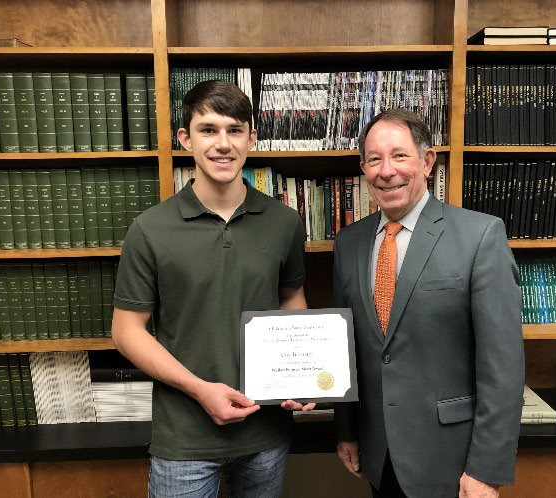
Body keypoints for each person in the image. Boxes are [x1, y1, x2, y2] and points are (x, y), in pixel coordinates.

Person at [111, 80, 312, 498]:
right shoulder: (149, 228)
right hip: (185, 437)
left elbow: (291, 299)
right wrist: (200, 390)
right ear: (185, 138)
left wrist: (302, 377)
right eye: (208, 130)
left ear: (251, 138)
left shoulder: (285, 222)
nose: (223, 144)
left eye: (235, 130)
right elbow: (126, 330)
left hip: (266, 432)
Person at [333, 109, 525, 498]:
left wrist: (486, 468)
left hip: (452, 459)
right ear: (363, 168)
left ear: (427, 161)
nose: (386, 171)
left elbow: (502, 366)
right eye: (374, 159)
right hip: (379, 453)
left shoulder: (480, 235)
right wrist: (347, 431)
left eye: (400, 156)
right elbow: (347, 348)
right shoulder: (349, 242)